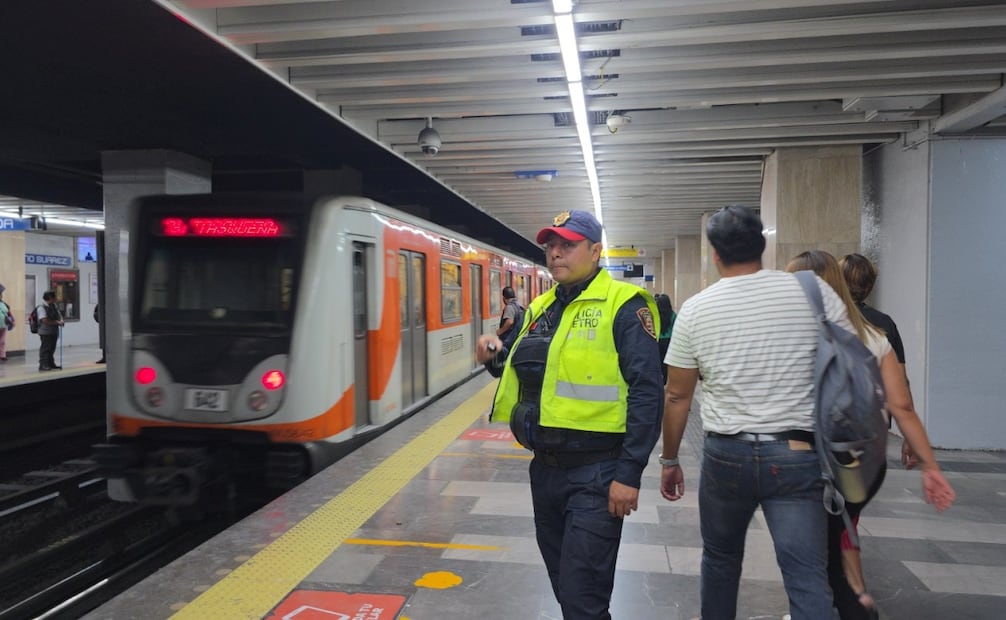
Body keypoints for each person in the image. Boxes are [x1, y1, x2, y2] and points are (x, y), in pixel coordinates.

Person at [660, 205, 855, 620]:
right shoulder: (815, 295)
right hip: (799, 454)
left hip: (725, 456)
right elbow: (853, 361)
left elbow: (678, 397)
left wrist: (670, 460)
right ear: (763, 245)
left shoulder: (696, 309)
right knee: (805, 573)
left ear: (714, 253)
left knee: (720, 560)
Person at [475, 209, 663, 619]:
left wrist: (629, 475)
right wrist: (494, 356)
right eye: (550, 246)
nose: (556, 254)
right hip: (545, 472)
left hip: (597, 473)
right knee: (566, 586)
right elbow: (526, 371)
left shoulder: (625, 307)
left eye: (568, 245)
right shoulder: (541, 307)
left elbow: (647, 393)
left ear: (596, 251)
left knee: (583, 596)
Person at [786, 250, 956, 620]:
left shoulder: (790, 334)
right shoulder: (875, 333)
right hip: (863, 457)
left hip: (809, 458)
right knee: (839, 534)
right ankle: (852, 600)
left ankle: (847, 606)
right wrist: (930, 464)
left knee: (815, 554)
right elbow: (903, 405)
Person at [37, 290, 64, 371]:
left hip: (53, 331)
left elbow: (59, 314)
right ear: (50, 298)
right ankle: (43, 365)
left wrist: (61, 320)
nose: (55, 299)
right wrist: (58, 322)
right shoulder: (41, 307)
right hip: (45, 332)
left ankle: (51, 364)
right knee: (45, 348)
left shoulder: (53, 305)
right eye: (54, 297)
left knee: (52, 348)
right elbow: (44, 320)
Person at [654, 293, 675, 383]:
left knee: (658, 359)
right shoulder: (673, 315)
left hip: (658, 340)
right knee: (667, 360)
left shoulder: (655, 315)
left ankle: (660, 377)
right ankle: (666, 377)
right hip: (669, 340)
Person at [0, 283, 9, 362]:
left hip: (3, 325)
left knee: (2, 341)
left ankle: (3, 355)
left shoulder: (3, 303)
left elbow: (7, 311)